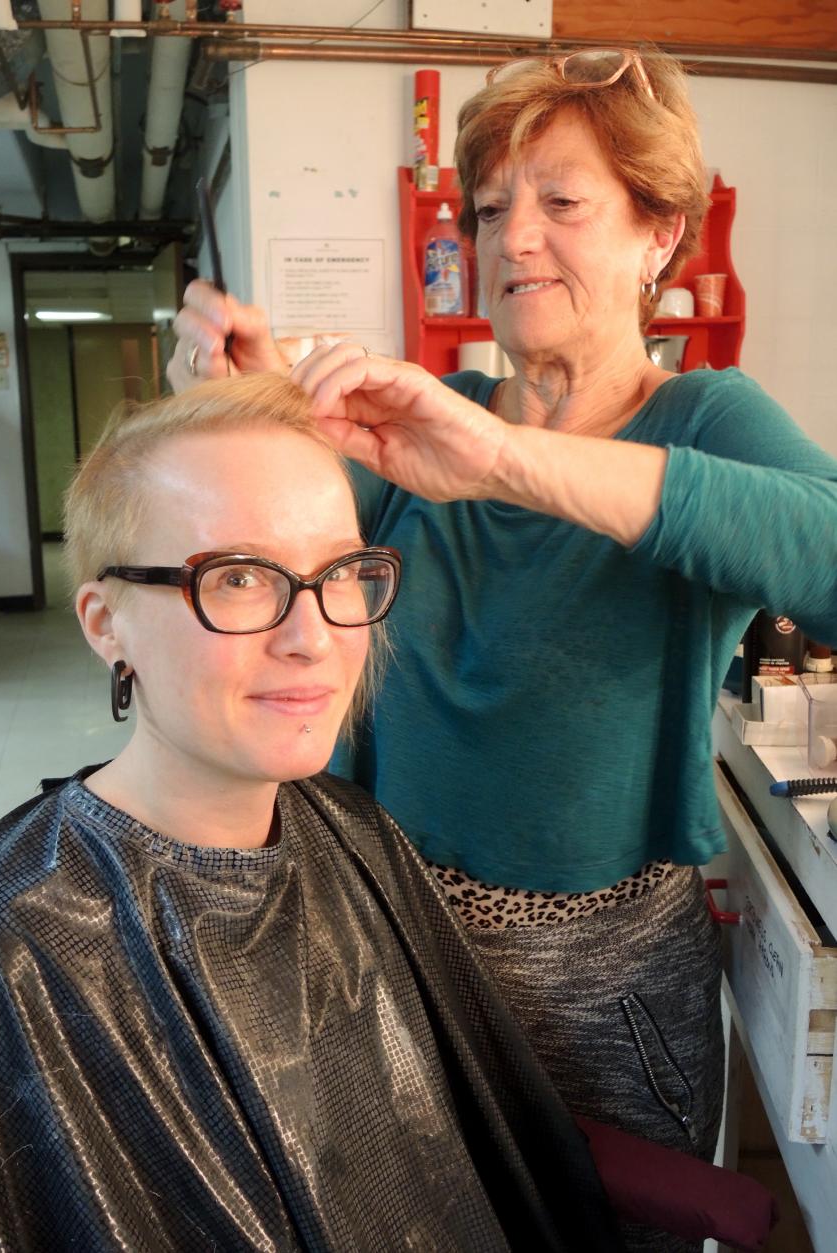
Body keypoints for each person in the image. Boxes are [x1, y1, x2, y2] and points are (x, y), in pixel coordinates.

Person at [168, 47, 837, 1253]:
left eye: (563, 202)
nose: (513, 236)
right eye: (490, 209)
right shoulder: (425, 413)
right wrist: (221, 416)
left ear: (659, 234)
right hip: (396, 948)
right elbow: (246, 571)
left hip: (608, 985)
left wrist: (499, 457)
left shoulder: (702, 420)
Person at [0, 375, 634, 1252]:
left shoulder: (355, 832)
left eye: (339, 572)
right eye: (239, 576)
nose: (313, 635)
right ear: (106, 623)